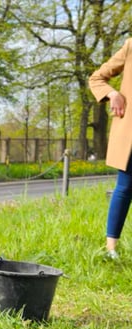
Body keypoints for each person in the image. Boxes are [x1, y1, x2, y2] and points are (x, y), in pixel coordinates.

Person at [89, 38, 132, 260]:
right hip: (131, 134)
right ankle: (111, 250)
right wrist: (112, 94)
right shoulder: (131, 46)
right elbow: (97, 78)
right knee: (124, 187)